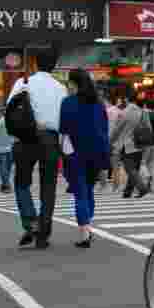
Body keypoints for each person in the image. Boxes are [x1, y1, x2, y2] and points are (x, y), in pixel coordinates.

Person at [9, 49, 67, 250]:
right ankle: (43, 233)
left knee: (21, 183)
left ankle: (30, 222)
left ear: (35, 64)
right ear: (54, 66)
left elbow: (10, 109)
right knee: (48, 188)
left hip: (25, 138)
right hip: (50, 138)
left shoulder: (22, 83)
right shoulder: (61, 88)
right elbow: (64, 118)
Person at [59, 70, 111, 248]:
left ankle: (85, 232)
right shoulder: (99, 104)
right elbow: (104, 134)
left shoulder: (67, 103)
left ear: (73, 84)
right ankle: (88, 224)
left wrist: (63, 157)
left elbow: (63, 132)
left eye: (68, 83)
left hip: (75, 154)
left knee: (80, 193)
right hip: (95, 154)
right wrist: (105, 161)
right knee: (88, 191)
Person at [110, 91, 150, 198]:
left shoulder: (124, 112)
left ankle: (142, 187)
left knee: (130, 169)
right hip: (140, 144)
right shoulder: (143, 111)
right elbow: (148, 128)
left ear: (127, 100)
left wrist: (110, 140)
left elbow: (117, 129)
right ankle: (127, 192)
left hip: (127, 145)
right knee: (134, 169)